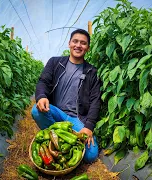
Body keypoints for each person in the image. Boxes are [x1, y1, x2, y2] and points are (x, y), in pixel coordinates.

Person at [31, 29, 101, 163]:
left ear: (88, 48)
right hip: (57, 113)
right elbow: (43, 81)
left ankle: (56, 141)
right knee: (36, 110)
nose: (78, 45)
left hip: (77, 118)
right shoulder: (55, 63)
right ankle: (61, 141)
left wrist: (88, 126)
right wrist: (41, 96)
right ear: (69, 43)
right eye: (75, 41)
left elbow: (95, 100)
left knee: (91, 155)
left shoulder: (92, 71)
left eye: (83, 43)